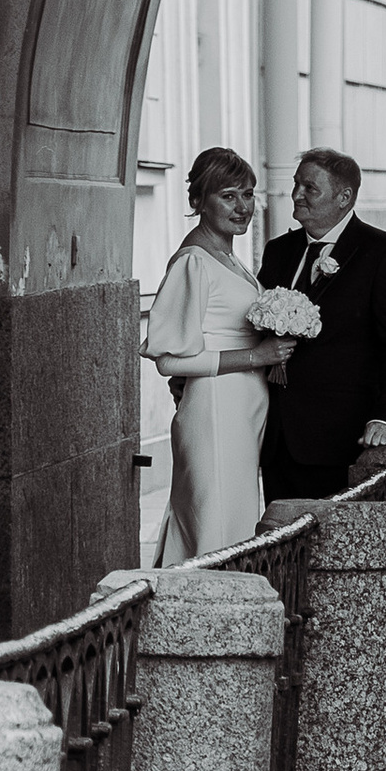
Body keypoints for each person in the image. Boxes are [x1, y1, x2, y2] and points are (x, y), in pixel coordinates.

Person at [143, 148, 287, 564]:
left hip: (239, 412)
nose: (243, 207)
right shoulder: (193, 262)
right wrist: (255, 357)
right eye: (228, 196)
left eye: (248, 194)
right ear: (197, 202)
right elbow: (169, 359)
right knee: (217, 525)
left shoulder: (228, 257)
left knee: (233, 521)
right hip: (215, 414)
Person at [257, 146, 386, 500]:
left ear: (344, 197)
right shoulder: (278, 251)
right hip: (278, 438)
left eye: (309, 188)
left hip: (341, 439)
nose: (297, 194)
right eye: (296, 184)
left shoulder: (384, 253)